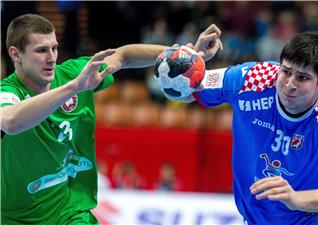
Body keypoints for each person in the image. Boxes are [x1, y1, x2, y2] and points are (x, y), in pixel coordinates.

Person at [0, 14, 221, 225]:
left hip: (69, 212)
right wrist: (75, 88)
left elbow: (124, 56)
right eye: (41, 50)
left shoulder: (74, 73)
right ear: (16, 54)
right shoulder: (9, 92)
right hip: (14, 218)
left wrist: (185, 56)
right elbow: (10, 122)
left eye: (54, 48)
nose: (51, 57)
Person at [169, 30, 318, 224]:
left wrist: (297, 199)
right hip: (260, 216)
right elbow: (187, 86)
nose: (289, 85)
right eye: (286, 71)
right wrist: (189, 58)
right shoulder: (252, 79)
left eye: (302, 78)